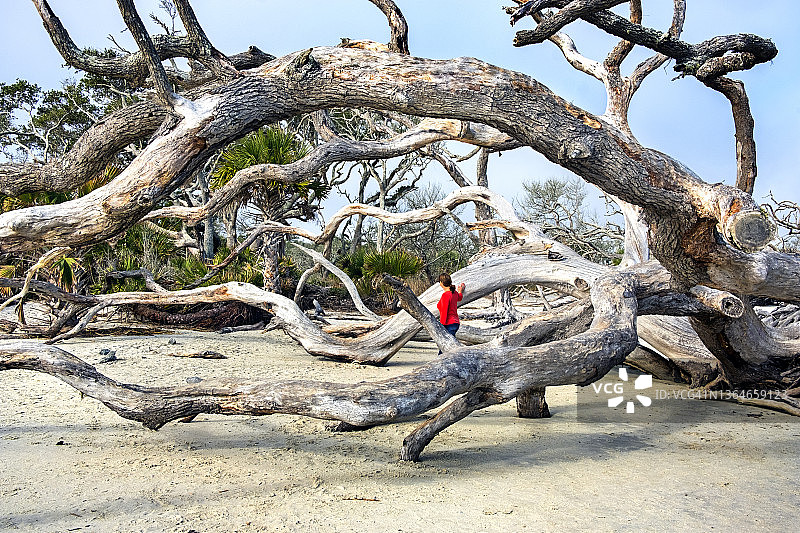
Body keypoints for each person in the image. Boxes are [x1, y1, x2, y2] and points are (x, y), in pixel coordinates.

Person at [436, 273, 465, 349]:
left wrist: (441, 326)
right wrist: (460, 291)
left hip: (448, 324)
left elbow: (444, 312)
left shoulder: (446, 295)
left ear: (441, 283)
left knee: (445, 347)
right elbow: (459, 298)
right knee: (448, 346)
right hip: (455, 323)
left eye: (439, 282)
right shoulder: (454, 293)